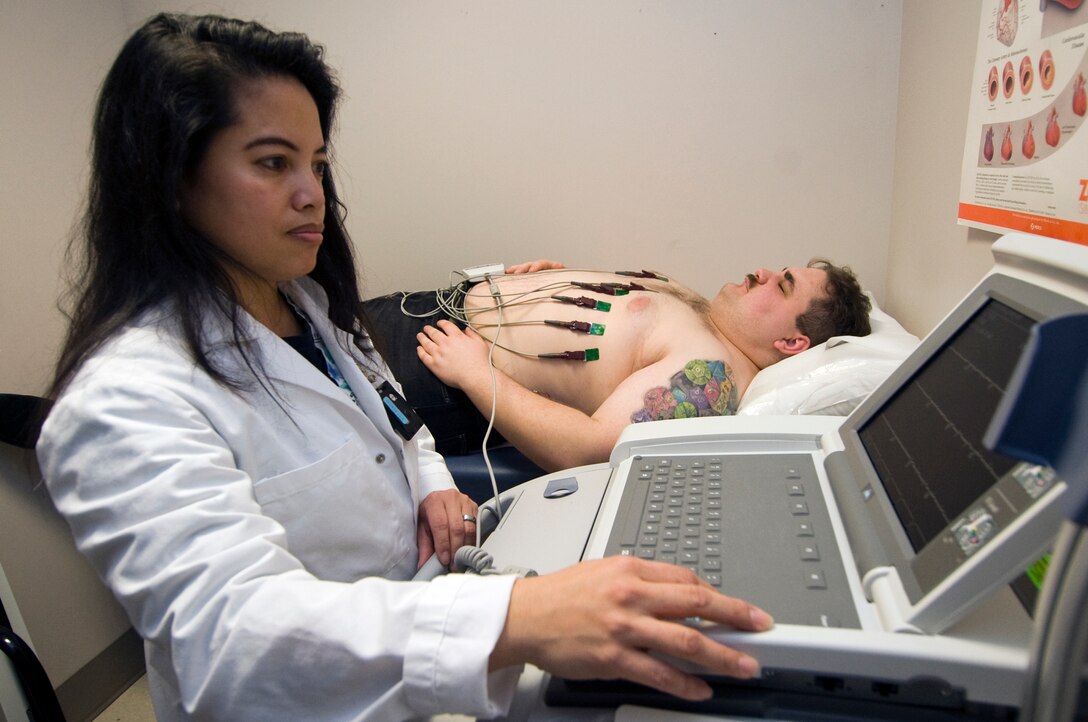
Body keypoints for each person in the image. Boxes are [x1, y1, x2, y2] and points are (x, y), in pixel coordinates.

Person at [35, 13, 773, 721]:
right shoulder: (123, 401)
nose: (311, 193)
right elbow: (232, 640)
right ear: (170, 177)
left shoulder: (302, 305)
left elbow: (388, 409)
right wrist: (512, 618)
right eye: (273, 162)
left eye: (317, 164)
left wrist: (430, 482)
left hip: (401, 638)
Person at [364, 257, 871, 471]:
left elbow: (590, 448)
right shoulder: (703, 315)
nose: (759, 271)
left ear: (791, 342)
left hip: (436, 371)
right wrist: (549, 284)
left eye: (780, 285)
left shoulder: (709, 377)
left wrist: (475, 373)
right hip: (430, 310)